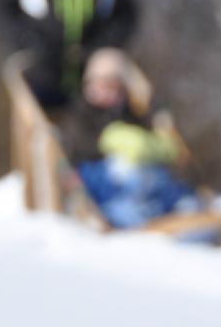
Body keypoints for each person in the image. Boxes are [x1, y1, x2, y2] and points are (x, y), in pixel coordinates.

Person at [62, 48, 191, 228]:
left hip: (137, 173)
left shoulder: (130, 112)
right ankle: (132, 218)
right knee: (127, 175)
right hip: (99, 176)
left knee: (156, 175)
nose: (109, 93)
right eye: (103, 86)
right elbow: (80, 146)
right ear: (89, 85)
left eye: (115, 87)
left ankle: (176, 207)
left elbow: (149, 134)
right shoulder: (82, 114)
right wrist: (112, 143)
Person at [0, 0, 138, 113]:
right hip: (39, 74)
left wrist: (100, 49)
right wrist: (32, 43)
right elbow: (2, 9)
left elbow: (126, 16)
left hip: (93, 80)